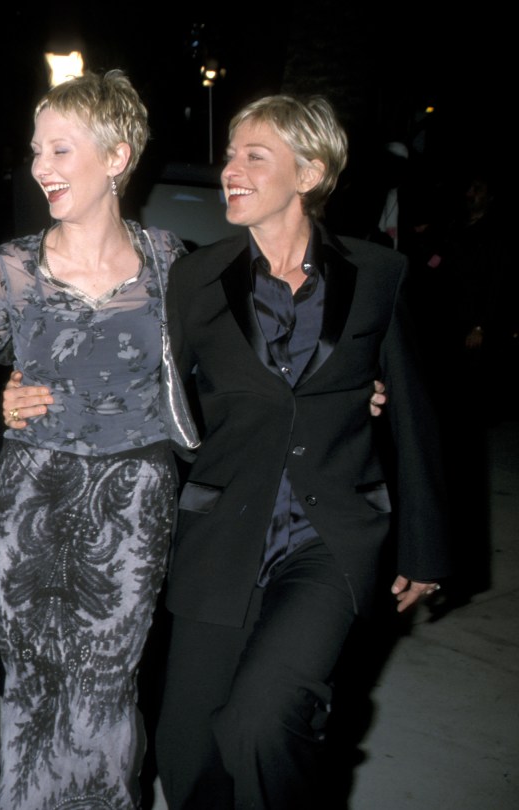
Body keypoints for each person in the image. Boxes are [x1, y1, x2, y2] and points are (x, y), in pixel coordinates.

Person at [153, 95, 451, 810]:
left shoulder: (379, 274)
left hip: (328, 538)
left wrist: (426, 548)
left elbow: (414, 412)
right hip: (222, 530)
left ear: (311, 172)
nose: (230, 170)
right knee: (187, 753)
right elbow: (158, 402)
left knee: (262, 724)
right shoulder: (194, 279)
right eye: (230, 155)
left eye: (255, 156)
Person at [0, 70, 186, 810]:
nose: (40, 168)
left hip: (133, 504)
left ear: (116, 157)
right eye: (36, 151)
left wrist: (345, 392)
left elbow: (232, 372)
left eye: (60, 150)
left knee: (105, 687)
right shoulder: (12, 267)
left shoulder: (170, 264)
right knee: (29, 684)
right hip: (31, 497)